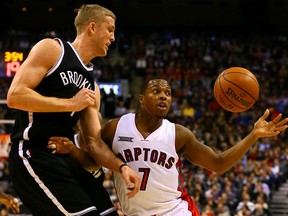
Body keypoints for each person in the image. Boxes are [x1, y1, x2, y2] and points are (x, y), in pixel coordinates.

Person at [48, 78, 288, 216]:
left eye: (168, 93)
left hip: (175, 211)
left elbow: (219, 164)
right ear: (141, 98)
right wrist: (73, 151)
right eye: (156, 91)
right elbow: (96, 161)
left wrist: (253, 135)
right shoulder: (116, 127)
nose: (164, 96)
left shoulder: (178, 134)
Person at [7, 4, 141, 216]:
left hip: (64, 159)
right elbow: (15, 96)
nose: (113, 37)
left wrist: (122, 167)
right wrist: (70, 104)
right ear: (92, 27)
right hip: (32, 154)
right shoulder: (53, 49)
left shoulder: (92, 86)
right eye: (110, 29)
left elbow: (94, 144)